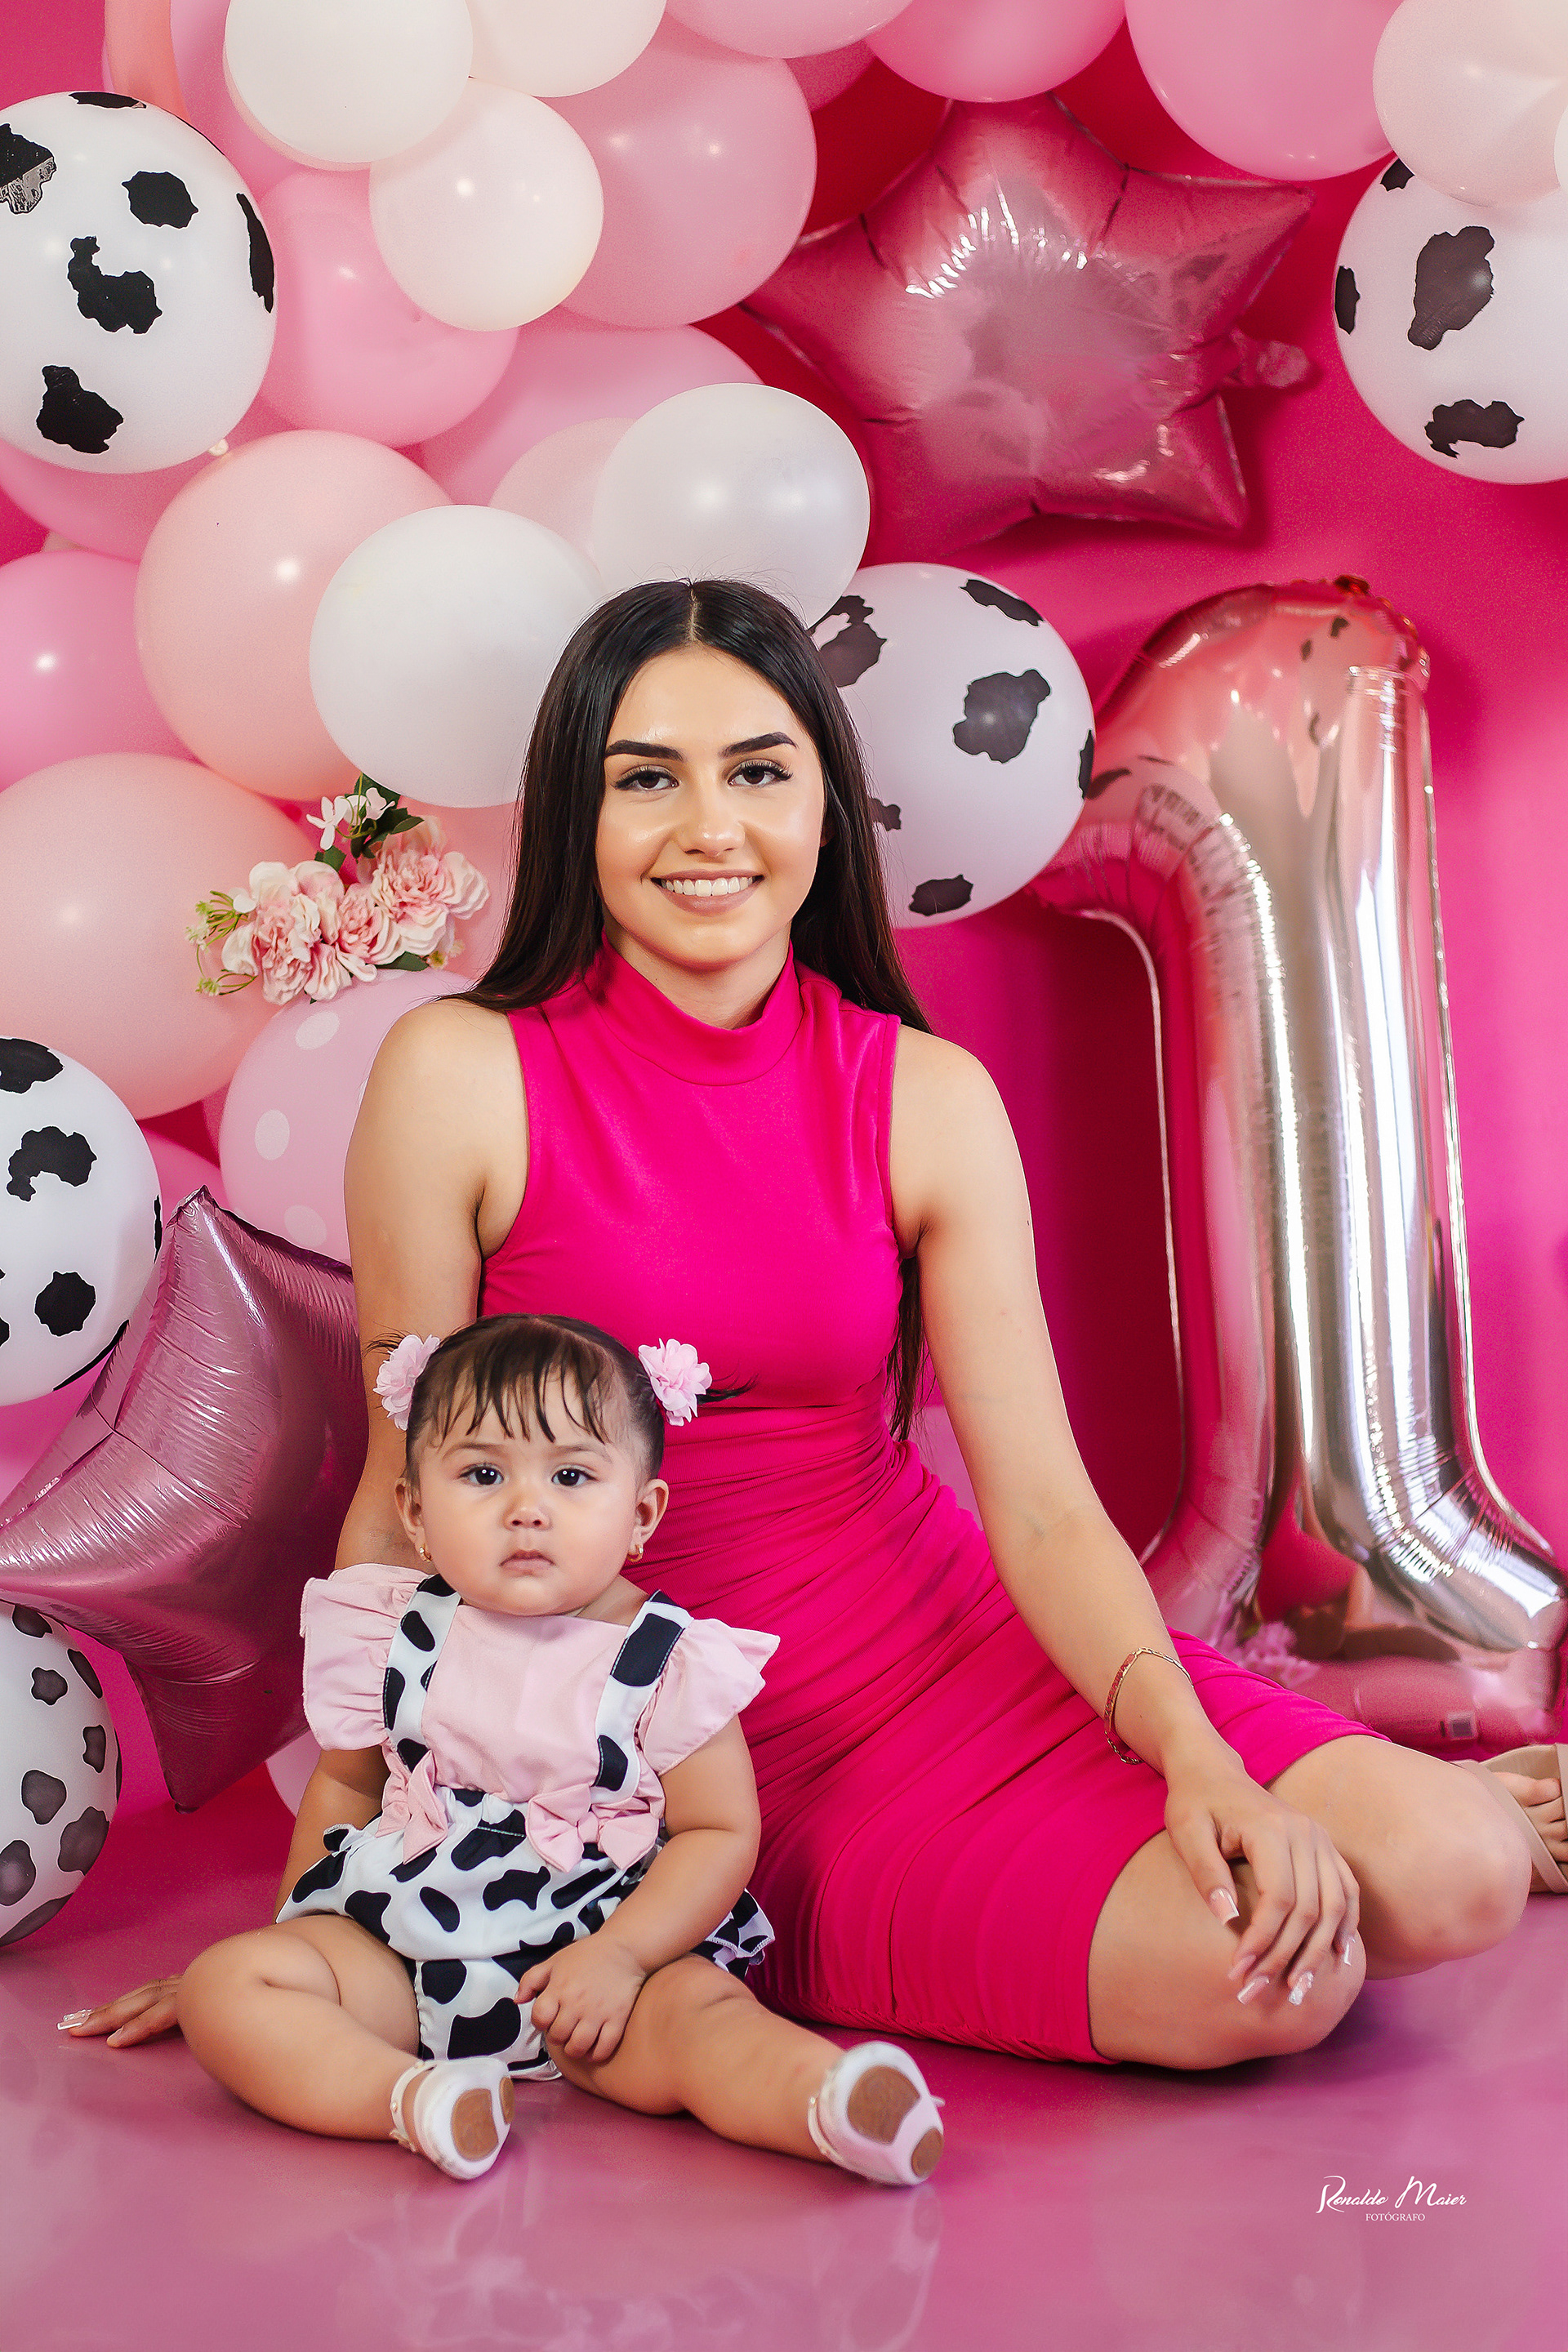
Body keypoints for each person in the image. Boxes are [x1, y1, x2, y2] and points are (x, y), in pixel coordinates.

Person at [69, 577, 1544, 2091]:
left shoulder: (925, 1095)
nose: (710, 828)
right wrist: (336, 1919)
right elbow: (404, 1499)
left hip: (972, 1646)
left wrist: (1196, 1759)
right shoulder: (460, 1075)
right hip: (706, 1770)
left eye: (759, 772)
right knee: (1275, 1983)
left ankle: (1359, 1811)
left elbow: (1044, 1508)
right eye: (648, 779)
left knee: (1462, 1872)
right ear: (578, 812)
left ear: (828, 806)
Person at [136, 1313, 946, 2185]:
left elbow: (719, 1833)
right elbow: (345, 1789)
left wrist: (624, 1957)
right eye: (483, 1474)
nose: (526, 1508)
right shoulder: (391, 1628)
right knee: (227, 1984)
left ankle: (829, 2100)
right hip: (401, 1955)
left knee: (702, 2016)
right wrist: (302, 1949)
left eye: (570, 1475)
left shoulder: (667, 1661)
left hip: (593, 1966)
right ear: (416, 1512)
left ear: (640, 1515)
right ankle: (415, 2099)